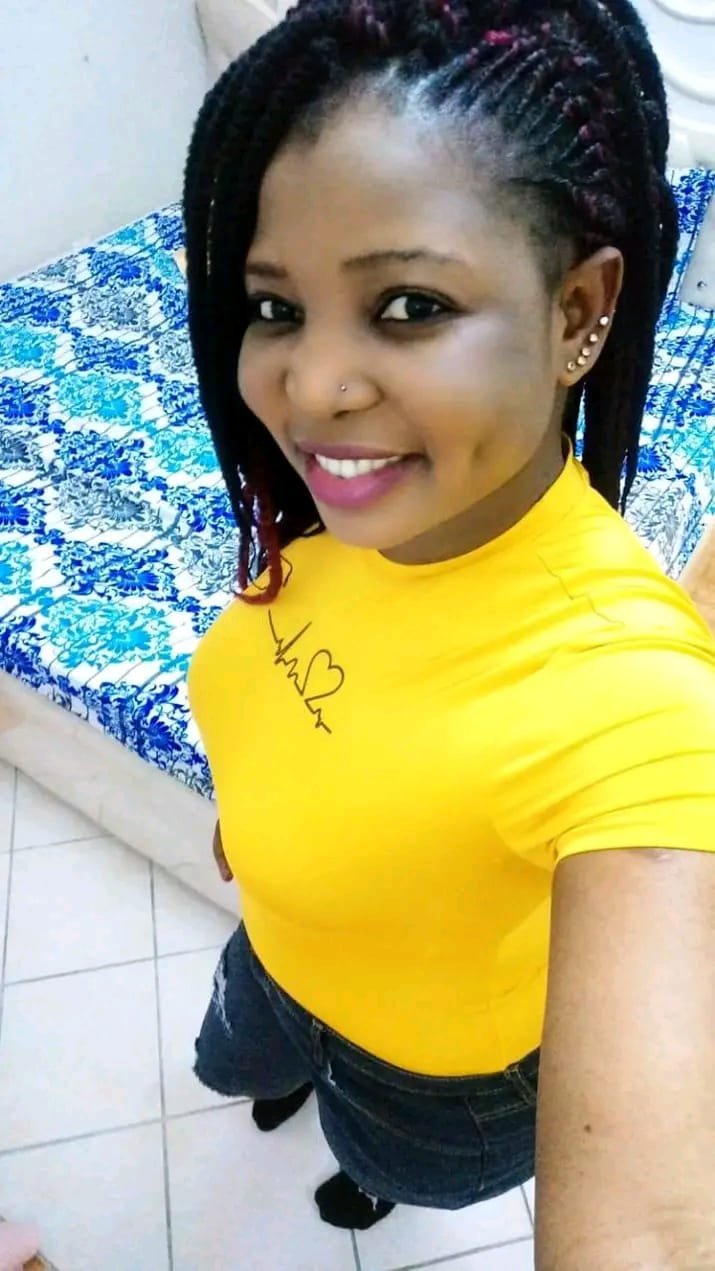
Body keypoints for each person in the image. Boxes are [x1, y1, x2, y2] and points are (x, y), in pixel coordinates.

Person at [183, 1, 715, 1265]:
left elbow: (648, 1222)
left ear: (578, 311)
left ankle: (370, 1182)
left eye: (410, 305)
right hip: (274, 948)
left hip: (436, 1073)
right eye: (276, 308)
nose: (311, 389)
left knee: (381, 1158)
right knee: (243, 1057)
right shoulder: (350, 516)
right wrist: (246, 817)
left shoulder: (630, 697)